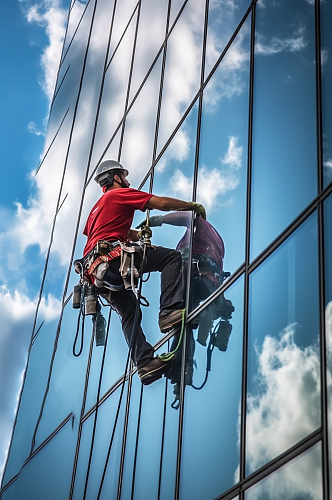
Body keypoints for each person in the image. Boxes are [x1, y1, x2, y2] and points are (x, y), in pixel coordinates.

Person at [81, 159, 206, 386]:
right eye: (123, 175)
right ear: (116, 177)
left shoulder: (95, 209)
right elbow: (158, 202)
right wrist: (190, 206)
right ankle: (169, 311)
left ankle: (145, 364)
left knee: (130, 314)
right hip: (112, 260)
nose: (127, 180)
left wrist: (136, 235)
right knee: (170, 258)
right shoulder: (119, 194)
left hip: (95, 273)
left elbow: (104, 231)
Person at [137, 211, 234, 404]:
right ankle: (183, 373)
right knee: (185, 323)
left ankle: (180, 372)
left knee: (179, 322)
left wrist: (160, 220)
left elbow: (189, 216)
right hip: (208, 285)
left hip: (194, 277)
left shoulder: (201, 228)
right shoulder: (218, 243)